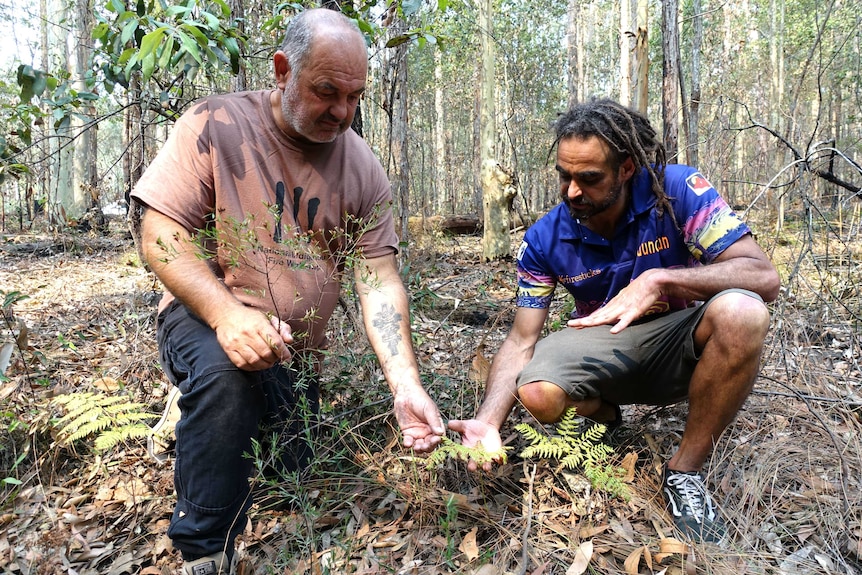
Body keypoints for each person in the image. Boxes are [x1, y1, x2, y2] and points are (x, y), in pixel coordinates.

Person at [130, 9, 445, 574]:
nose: (342, 112)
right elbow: (161, 235)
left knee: (294, 460)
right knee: (227, 377)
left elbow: (377, 280)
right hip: (202, 316)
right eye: (327, 92)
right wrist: (227, 316)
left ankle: (220, 414)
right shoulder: (216, 124)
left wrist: (406, 386)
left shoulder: (363, 167)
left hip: (293, 353)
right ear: (282, 70)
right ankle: (205, 548)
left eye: (355, 97)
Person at [448, 98, 780, 543]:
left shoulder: (677, 190)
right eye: (564, 176)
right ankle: (605, 418)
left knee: (743, 311)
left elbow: (763, 276)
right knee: (536, 393)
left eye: (589, 179)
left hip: (677, 345)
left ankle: (685, 472)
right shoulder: (544, 238)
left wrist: (661, 280)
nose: (571, 192)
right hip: (602, 347)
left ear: (626, 168)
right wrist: (489, 422)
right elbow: (522, 339)